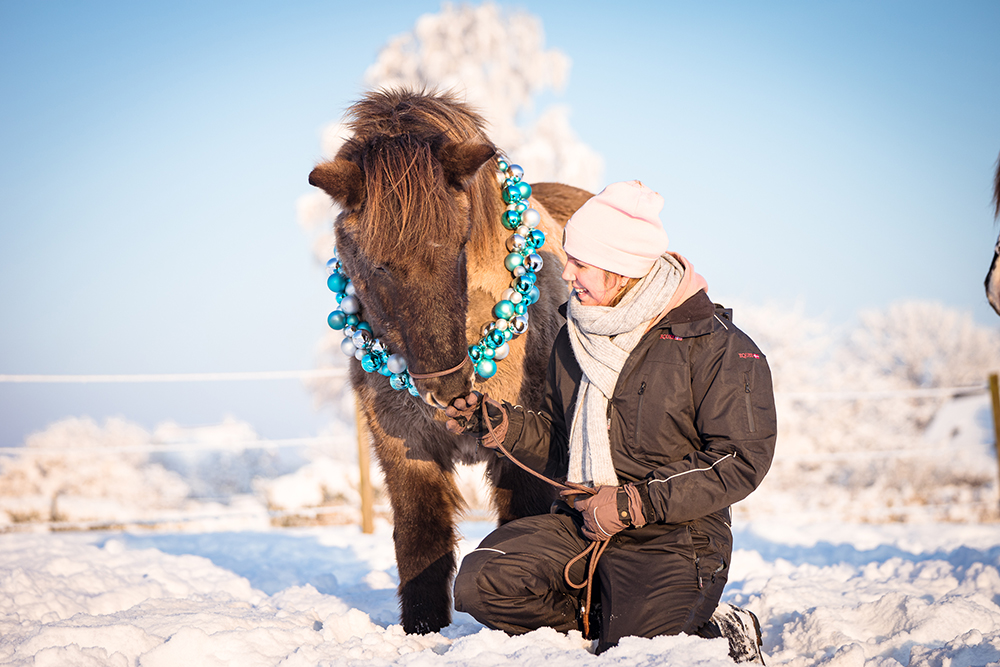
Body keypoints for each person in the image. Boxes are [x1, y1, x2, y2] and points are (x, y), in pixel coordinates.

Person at [445, 180, 777, 661]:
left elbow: (740, 459)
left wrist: (631, 504)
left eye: (580, 261)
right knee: (482, 582)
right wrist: (500, 424)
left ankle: (717, 631)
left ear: (621, 269)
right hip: (581, 524)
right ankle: (603, 617)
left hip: (674, 537)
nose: (566, 271)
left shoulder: (718, 346)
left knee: (638, 652)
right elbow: (563, 443)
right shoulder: (573, 335)